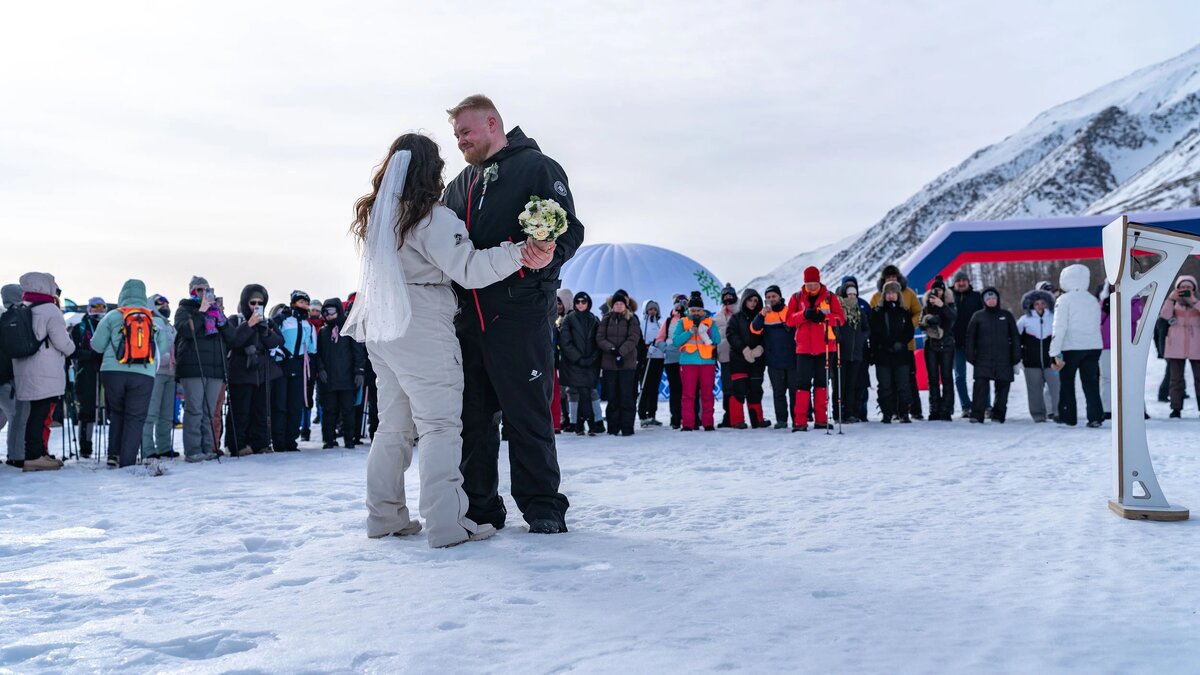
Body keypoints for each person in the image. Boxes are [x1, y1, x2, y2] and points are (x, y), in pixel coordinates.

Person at [344, 132, 552, 547]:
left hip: (383, 324)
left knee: (393, 428)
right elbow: (469, 269)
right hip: (421, 322)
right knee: (440, 425)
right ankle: (446, 521)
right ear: (430, 170)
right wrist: (519, 253)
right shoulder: (430, 217)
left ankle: (384, 515)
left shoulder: (378, 214)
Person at [443, 95, 583, 534]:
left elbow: (569, 230)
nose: (461, 142)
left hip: (520, 318)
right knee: (473, 421)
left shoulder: (537, 167)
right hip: (470, 323)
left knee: (527, 416)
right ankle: (482, 507)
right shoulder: (460, 184)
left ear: (492, 123)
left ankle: (542, 506)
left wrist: (549, 252)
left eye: (466, 132)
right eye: (456, 136)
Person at [88, 279, 156, 468]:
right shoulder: (151, 317)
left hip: (112, 372)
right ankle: (127, 461)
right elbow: (163, 347)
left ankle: (113, 455)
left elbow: (97, 345)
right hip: (144, 373)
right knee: (135, 417)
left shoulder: (112, 316)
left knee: (117, 412)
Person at [13, 272, 74, 472]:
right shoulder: (50, 310)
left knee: (33, 414)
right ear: (43, 286)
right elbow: (62, 342)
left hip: (24, 369)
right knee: (40, 414)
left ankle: (36, 453)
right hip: (45, 370)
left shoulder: (21, 308)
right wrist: (72, 349)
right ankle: (35, 456)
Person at [175, 276, 235, 462]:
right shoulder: (184, 309)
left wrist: (221, 318)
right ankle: (193, 450)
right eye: (199, 290)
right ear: (192, 291)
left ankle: (208, 447)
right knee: (195, 409)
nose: (203, 293)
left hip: (215, 368)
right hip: (193, 367)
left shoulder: (216, 312)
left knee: (210, 410)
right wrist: (201, 312)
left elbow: (232, 338)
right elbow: (186, 331)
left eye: (206, 290)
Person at [225, 284, 284, 456]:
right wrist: (249, 325)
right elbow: (233, 340)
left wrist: (266, 332)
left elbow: (278, 342)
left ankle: (260, 443)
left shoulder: (268, 322)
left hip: (263, 372)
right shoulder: (235, 320)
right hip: (241, 371)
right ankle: (237, 444)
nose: (256, 306)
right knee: (240, 410)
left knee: (262, 409)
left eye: (260, 302)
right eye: (252, 302)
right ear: (245, 303)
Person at [786, 266, 845, 431]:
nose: (811, 286)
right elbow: (789, 320)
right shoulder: (797, 298)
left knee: (822, 383)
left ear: (819, 281)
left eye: (814, 283)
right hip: (803, 348)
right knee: (802, 384)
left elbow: (841, 319)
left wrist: (825, 317)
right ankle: (800, 422)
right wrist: (804, 315)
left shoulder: (830, 297)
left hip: (826, 347)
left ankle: (821, 419)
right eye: (808, 283)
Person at [1049, 264, 1104, 428]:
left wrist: (1054, 351)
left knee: (1067, 382)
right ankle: (1095, 416)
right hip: (1093, 347)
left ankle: (1068, 416)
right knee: (1091, 382)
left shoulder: (1063, 300)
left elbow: (1059, 327)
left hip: (1071, 348)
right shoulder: (1093, 299)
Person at [870, 264, 923, 420]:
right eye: (888, 277)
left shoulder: (909, 294)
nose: (891, 279)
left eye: (894, 277)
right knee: (887, 382)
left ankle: (913, 410)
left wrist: (909, 327)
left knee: (908, 380)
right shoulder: (876, 298)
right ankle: (890, 411)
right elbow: (875, 323)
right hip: (884, 349)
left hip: (905, 346)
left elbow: (918, 313)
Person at [315, 298, 366, 449]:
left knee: (348, 411)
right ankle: (328, 440)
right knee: (329, 410)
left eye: (331, 312)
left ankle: (349, 440)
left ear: (339, 311)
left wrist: (359, 372)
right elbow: (318, 354)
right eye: (325, 312)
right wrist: (321, 369)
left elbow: (358, 352)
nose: (328, 315)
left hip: (347, 379)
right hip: (329, 380)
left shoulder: (348, 330)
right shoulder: (324, 333)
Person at [270, 291, 317, 452]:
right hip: (282, 364)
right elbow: (272, 336)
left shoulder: (308, 325)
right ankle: (278, 441)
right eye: (301, 301)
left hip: (299, 365)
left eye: (306, 302)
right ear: (293, 302)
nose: (304, 305)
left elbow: (312, 348)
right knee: (280, 404)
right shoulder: (284, 320)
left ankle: (291, 440)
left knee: (295, 405)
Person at [965, 288, 1020, 424]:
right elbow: (970, 338)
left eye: (993, 298)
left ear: (997, 300)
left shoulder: (1006, 315)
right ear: (984, 301)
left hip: (1004, 358)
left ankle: (998, 415)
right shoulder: (978, 316)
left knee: (1003, 387)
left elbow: (1015, 337)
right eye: (988, 299)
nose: (991, 301)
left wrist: (1016, 356)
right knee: (980, 387)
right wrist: (971, 355)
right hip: (983, 359)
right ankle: (977, 415)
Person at [673, 294, 720, 431]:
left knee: (707, 394)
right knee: (688, 394)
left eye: (698, 310)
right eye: (693, 310)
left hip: (707, 362)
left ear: (703, 310)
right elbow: (676, 341)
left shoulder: (710, 322)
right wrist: (689, 332)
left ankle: (708, 423)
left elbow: (717, 340)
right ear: (689, 310)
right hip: (688, 362)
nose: (696, 313)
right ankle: (687, 424)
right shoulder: (683, 322)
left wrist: (709, 331)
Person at [596, 291, 640, 436]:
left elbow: (634, 338)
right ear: (612, 306)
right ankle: (613, 428)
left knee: (627, 397)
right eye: (616, 304)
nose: (619, 306)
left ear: (625, 305)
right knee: (612, 397)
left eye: (621, 304)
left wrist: (621, 352)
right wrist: (612, 350)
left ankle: (627, 428)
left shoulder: (632, 319)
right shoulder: (606, 319)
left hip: (627, 364)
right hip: (610, 364)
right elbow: (600, 337)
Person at [559, 292, 602, 437]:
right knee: (581, 393)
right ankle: (587, 425)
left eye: (583, 301)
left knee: (587, 393)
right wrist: (579, 359)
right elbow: (565, 342)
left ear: (588, 303)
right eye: (578, 302)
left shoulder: (594, 319)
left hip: (591, 364)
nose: (581, 304)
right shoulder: (569, 319)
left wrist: (593, 358)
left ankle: (581, 425)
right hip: (574, 364)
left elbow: (599, 340)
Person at [725, 288, 769, 429]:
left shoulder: (763, 317)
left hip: (757, 360)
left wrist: (760, 348)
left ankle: (757, 420)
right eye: (750, 300)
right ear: (744, 301)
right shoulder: (736, 318)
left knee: (755, 389)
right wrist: (744, 349)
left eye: (756, 300)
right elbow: (731, 335)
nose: (753, 303)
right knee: (739, 389)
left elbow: (767, 336)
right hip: (738, 359)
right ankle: (737, 421)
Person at [754, 285, 796, 429]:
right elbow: (754, 329)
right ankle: (781, 420)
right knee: (778, 392)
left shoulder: (789, 310)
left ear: (780, 297)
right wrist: (761, 315)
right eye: (769, 297)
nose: (771, 299)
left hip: (792, 359)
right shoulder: (764, 313)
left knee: (794, 392)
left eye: (774, 296)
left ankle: (797, 420)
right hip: (773, 360)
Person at [142, 294, 178, 459]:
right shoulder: (152, 323)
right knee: (151, 412)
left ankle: (163, 446)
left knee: (166, 413)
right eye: (160, 303)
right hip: (156, 372)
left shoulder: (170, 326)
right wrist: (166, 358)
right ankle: (148, 448)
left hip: (170, 373)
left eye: (166, 303)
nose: (164, 306)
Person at [69, 296, 106, 458]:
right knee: (87, 409)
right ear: (89, 308)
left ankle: (112, 447)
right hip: (86, 371)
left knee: (110, 407)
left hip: (105, 370)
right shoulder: (80, 327)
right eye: (95, 307)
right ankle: (85, 447)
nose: (98, 310)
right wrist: (91, 355)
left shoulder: (108, 325)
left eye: (102, 307)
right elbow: (73, 351)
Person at [1016, 286, 1059, 423]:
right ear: (1031, 305)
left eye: (1043, 303)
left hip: (1052, 361)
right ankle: (1038, 414)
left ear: (1048, 304)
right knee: (1034, 391)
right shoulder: (1024, 320)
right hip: (1031, 362)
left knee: (1057, 388)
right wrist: (1020, 357)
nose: (1040, 306)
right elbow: (1017, 340)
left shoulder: (1054, 318)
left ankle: (1058, 412)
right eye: (1036, 304)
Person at [1160, 274, 1200, 419]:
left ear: (1194, 288)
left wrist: (1194, 301)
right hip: (1175, 344)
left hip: (1197, 345)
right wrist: (1171, 299)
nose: (1185, 290)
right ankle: (1175, 409)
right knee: (1176, 379)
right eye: (1182, 287)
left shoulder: (1197, 301)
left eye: (1188, 287)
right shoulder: (1173, 302)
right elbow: (1164, 316)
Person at [919, 277, 957, 421]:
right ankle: (934, 409)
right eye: (935, 290)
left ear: (944, 291)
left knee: (947, 377)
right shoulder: (927, 306)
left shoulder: (950, 304)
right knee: (933, 378)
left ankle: (946, 410)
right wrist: (927, 321)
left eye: (940, 290)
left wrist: (942, 306)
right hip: (932, 345)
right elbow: (920, 325)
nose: (938, 292)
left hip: (947, 344)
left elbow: (953, 318)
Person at [1, 283, 30, 468]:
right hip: (6, 378)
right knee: (16, 415)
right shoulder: (18, 317)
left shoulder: (4, 317)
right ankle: (16, 455)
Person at [950, 270, 986, 417]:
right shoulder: (948, 296)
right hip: (956, 343)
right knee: (959, 376)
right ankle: (966, 407)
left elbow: (984, 317)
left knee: (982, 375)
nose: (961, 283)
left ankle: (985, 406)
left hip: (975, 343)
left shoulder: (977, 296)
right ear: (954, 283)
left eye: (964, 280)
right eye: (959, 280)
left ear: (968, 282)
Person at [833, 280, 868, 423]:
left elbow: (867, 328)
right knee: (839, 385)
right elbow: (833, 328)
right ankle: (837, 413)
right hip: (841, 353)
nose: (852, 297)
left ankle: (850, 413)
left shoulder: (860, 312)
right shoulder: (838, 310)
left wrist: (862, 338)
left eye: (855, 294)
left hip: (856, 354)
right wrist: (837, 336)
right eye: (849, 294)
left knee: (852, 385)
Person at [657, 297, 687, 429]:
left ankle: (687, 417)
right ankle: (675, 418)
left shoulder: (689, 319)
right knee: (675, 389)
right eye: (677, 304)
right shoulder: (669, 321)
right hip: (671, 359)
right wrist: (666, 348)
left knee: (688, 389)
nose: (680, 307)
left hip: (687, 358)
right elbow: (659, 338)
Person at [713, 283, 738, 427]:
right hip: (724, 357)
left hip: (740, 356)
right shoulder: (717, 318)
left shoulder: (742, 313)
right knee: (728, 388)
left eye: (730, 296)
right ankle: (728, 417)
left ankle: (739, 417)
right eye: (725, 296)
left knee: (740, 388)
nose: (728, 299)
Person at [637, 299, 665, 427]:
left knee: (654, 387)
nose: (652, 312)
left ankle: (652, 414)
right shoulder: (642, 325)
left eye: (654, 309)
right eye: (650, 309)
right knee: (645, 386)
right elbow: (639, 341)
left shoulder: (660, 325)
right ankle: (642, 414)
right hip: (647, 358)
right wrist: (647, 348)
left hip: (658, 358)